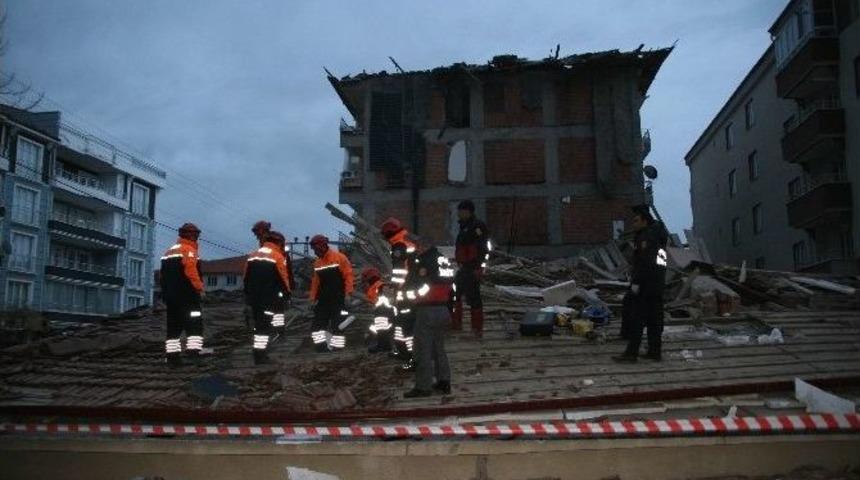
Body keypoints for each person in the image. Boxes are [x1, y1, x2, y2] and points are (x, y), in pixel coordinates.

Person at [613, 205, 668, 363]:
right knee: (654, 320)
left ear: (645, 221)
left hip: (645, 285)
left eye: (636, 220)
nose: (634, 224)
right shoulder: (659, 236)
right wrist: (658, 281)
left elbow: (645, 263)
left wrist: (636, 284)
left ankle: (631, 354)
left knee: (637, 318)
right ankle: (654, 352)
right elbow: (660, 263)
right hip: (656, 284)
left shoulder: (646, 237)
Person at [401, 243, 454, 398]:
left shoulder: (423, 262)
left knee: (422, 350)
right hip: (443, 309)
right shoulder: (444, 260)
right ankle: (444, 382)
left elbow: (417, 286)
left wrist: (407, 299)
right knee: (439, 348)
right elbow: (451, 285)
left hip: (426, 310)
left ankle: (423, 387)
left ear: (423, 247)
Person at [159, 223, 205, 367]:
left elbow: (163, 276)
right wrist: (199, 288)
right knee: (195, 326)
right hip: (188, 296)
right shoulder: (189, 250)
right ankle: (193, 355)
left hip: (171, 298)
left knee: (173, 328)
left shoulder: (168, 252)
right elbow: (191, 271)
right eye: (195, 234)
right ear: (191, 235)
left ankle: (173, 359)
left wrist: (165, 293)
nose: (197, 237)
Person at [244, 231, 291, 364]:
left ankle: (260, 354)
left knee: (259, 324)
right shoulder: (277, 256)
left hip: (254, 298)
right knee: (263, 327)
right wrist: (287, 294)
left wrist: (247, 295)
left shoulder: (252, 255)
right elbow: (283, 277)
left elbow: (246, 277)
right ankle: (260, 356)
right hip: (268, 297)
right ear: (278, 242)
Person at [380, 217, 418, 369]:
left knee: (405, 326)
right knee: (400, 324)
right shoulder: (406, 242)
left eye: (385, 235)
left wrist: (395, 289)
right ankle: (402, 351)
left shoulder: (398, 246)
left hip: (405, 292)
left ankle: (411, 357)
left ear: (389, 233)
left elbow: (400, 272)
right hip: (410, 289)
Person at [308, 235, 354, 352]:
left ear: (323, 246)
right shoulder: (317, 263)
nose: (315, 252)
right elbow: (315, 282)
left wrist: (348, 294)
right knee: (317, 325)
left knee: (339, 324)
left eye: (316, 249)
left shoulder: (339, 258)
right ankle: (321, 347)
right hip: (323, 299)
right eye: (314, 250)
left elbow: (348, 276)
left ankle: (337, 349)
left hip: (338, 298)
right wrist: (312, 299)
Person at [453, 200, 491, 338]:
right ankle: (456, 324)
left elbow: (482, 248)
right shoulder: (463, 226)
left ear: (468, 211)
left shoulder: (477, 226)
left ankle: (477, 329)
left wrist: (479, 266)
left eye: (461, 211)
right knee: (454, 293)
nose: (459, 214)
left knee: (473, 297)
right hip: (463, 266)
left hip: (472, 267)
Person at [266, 230, 294, 340]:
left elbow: (287, 272)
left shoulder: (282, 255)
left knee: (277, 312)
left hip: (275, 288)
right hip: (274, 288)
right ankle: (275, 332)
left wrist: (289, 288)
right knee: (274, 312)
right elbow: (284, 274)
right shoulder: (276, 255)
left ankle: (278, 332)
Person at [361, 267, 395, 353]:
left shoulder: (379, 286)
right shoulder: (377, 286)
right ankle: (385, 345)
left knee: (382, 328)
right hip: (383, 310)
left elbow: (385, 298)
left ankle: (382, 345)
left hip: (383, 310)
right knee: (381, 328)